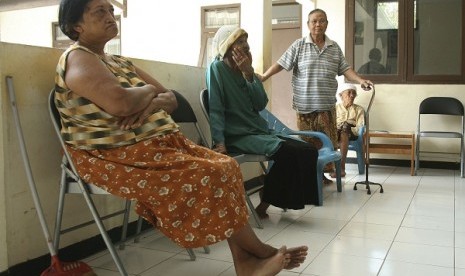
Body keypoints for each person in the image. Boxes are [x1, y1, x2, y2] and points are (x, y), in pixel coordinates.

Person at [55, 0, 308, 275]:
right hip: (114, 155)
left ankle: (245, 261)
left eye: (111, 9)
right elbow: (121, 104)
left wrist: (149, 98)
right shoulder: (78, 58)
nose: (110, 16)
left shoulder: (117, 61)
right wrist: (150, 92)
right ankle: (258, 252)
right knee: (208, 172)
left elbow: (172, 99)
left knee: (227, 166)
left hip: (158, 145)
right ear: (74, 25)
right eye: (99, 11)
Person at [206, 25, 320, 219]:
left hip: (258, 131)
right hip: (238, 136)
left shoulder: (244, 71)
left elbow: (260, 104)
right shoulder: (216, 68)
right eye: (240, 42)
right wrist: (220, 142)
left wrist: (249, 74)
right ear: (228, 45)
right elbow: (215, 108)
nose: (246, 46)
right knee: (289, 152)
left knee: (308, 150)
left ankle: (272, 197)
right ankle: (265, 203)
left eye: (246, 41)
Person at [260, 8, 373, 183]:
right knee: (308, 144)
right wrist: (264, 76)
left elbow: (346, 70)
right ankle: (311, 178)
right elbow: (281, 63)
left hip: (326, 106)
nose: (318, 24)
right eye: (314, 21)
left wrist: (360, 80)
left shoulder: (334, 47)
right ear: (308, 24)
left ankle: (322, 175)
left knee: (327, 144)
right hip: (304, 107)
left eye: (321, 21)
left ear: (326, 24)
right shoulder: (298, 45)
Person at [330, 83, 365, 178]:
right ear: (341, 95)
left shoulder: (359, 109)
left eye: (354, 93)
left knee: (345, 130)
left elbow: (360, 126)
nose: (352, 95)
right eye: (349, 93)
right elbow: (331, 123)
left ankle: (341, 168)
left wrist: (348, 126)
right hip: (336, 132)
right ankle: (333, 167)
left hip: (352, 133)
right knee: (337, 131)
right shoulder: (335, 108)